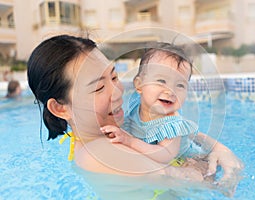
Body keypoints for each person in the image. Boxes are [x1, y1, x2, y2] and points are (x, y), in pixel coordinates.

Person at [27, 34, 243, 197]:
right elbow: (194, 181)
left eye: (114, 77)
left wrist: (218, 148)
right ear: (60, 108)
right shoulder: (100, 153)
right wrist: (218, 163)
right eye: (99, 88)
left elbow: (169, 129)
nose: (118, 91)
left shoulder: (102, 135)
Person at [101, 43, 209, 180]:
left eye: (180, 85)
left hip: (190, 160)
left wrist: (130, 141)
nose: (170, 91)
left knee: (198, 179)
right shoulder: (137, 103)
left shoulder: (172, 124)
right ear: (140, 85)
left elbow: (164, 155)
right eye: (161, 81)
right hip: (162, 158)